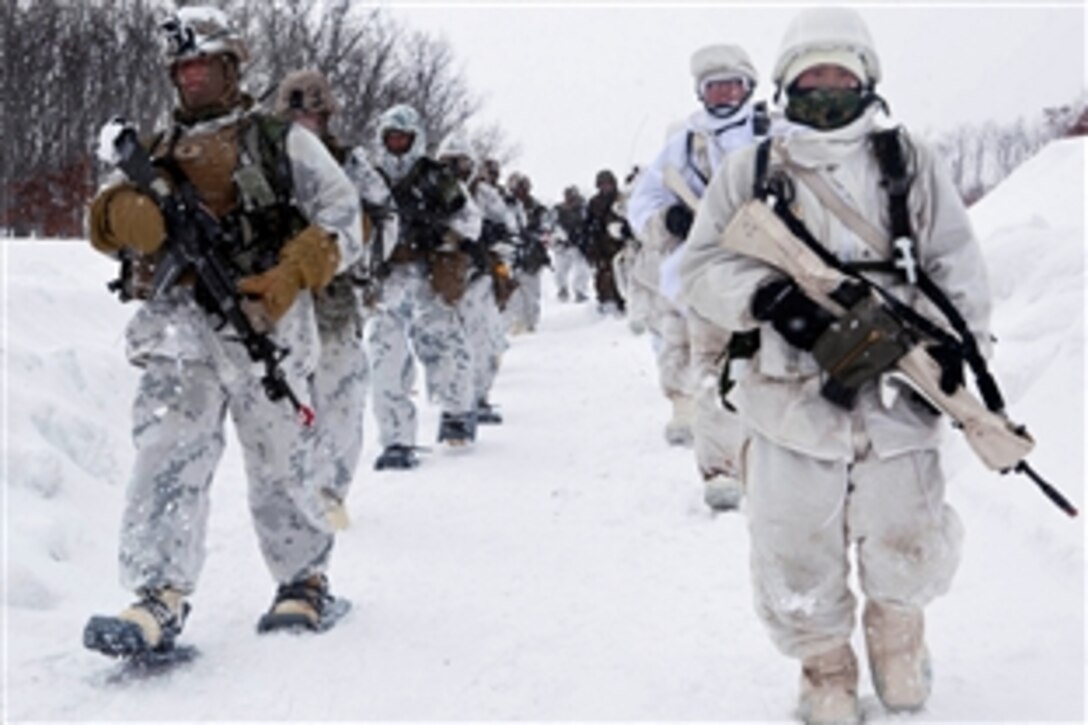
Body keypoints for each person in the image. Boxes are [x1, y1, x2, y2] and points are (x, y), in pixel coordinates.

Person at [680, 8, 989, 723]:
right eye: (812, 74)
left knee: (905, 536)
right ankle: (824, 666)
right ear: (786, 84)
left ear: (867, 78)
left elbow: (958, 266)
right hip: (788, 394)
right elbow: (699, 270)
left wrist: (951, 354)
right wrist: (767, 295)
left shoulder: (908, 161)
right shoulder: (749, 169)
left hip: (897, 391)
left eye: (841, 72)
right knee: (793, 551)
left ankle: (898, 639)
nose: (827, 86)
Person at [83, 6, 364, 657]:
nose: (190, 76)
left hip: (264, 318)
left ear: (231, 66)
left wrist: (296, 269)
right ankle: (158, 594)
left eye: (201, 63)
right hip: (179, 325)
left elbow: (344, 214)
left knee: (280, 459)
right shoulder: (152, 152)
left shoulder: (279, 139)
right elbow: (100, 221)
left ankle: (303, 578)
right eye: (181, 67)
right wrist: (121, 214)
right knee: (167, 451)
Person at [626, 43, 764, 506]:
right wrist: (671, 223)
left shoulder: (775, 133)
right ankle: (721, 467)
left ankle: (782, 463)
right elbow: (643, 203)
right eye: (713, 87)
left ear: (748, 86)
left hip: (775, 270)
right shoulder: (684, 145)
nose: (724, 94)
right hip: (706, 274)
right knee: (712, 369)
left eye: (732, 84)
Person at [274, 68, 397, 529]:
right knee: (285, 408)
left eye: (313, 112)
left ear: (327, 116)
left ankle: (328, 493)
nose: (305, 121)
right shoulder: (264, 156)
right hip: (278, 300)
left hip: (335, 297)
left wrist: (358, 261)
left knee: (341, 401)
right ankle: (295, 500)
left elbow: (382, 219)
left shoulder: (351, 163)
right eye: (296, 112)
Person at [367, 103, 482, 470]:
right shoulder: (369, 176)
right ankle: (396, 439)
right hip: (387, 278)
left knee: (445, 345)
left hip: (428, 275)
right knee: (386, 357)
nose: (397, 144)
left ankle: (457, 410)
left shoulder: (435, 177)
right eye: (391, 138)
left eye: (404, 138)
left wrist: (444, 233)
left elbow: (470, 219)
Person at [437, 132, 511, 425]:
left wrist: (485, 236)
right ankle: (455, 400)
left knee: (482, 339)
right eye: (448, 161)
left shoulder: (484, 193)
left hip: (478, 273)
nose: (455, 167)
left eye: (461, 162)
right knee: (448, 343)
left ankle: (478, 396)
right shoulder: (432, 187)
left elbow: (506, 226)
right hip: (442, 276)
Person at [503, 172, 551, 334]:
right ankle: (517, 324)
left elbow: (546, 229)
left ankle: (531, 323)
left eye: (523, 187)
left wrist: (534, 237)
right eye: (516, 188)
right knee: (512, 294)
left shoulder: (537, 208)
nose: (519, 191)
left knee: (531, 294)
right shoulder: (503, 205)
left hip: (532, 258)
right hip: (510, 256)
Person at [583, 169, 630, 316]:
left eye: (608, 184)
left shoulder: (622, 199)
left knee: (625, 276)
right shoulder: (594, 203)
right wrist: (590, 249)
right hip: (601, 248)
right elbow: (587, 227)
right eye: (603, 184)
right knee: (604, 278)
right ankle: (607, 306)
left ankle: (626, 304)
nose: (606, 187)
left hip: (622, 246)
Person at [551, 185, 592, 303]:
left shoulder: (583, 209)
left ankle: (580, 292)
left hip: (578, 246)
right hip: (562, 246)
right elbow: (552, 225)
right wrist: (559, 236)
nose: (570, 199)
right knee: (559, 270)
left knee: (581, 270)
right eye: (568, 196)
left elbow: (587, 226)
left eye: (572, 196)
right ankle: (562, 289)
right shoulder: (558, 210)